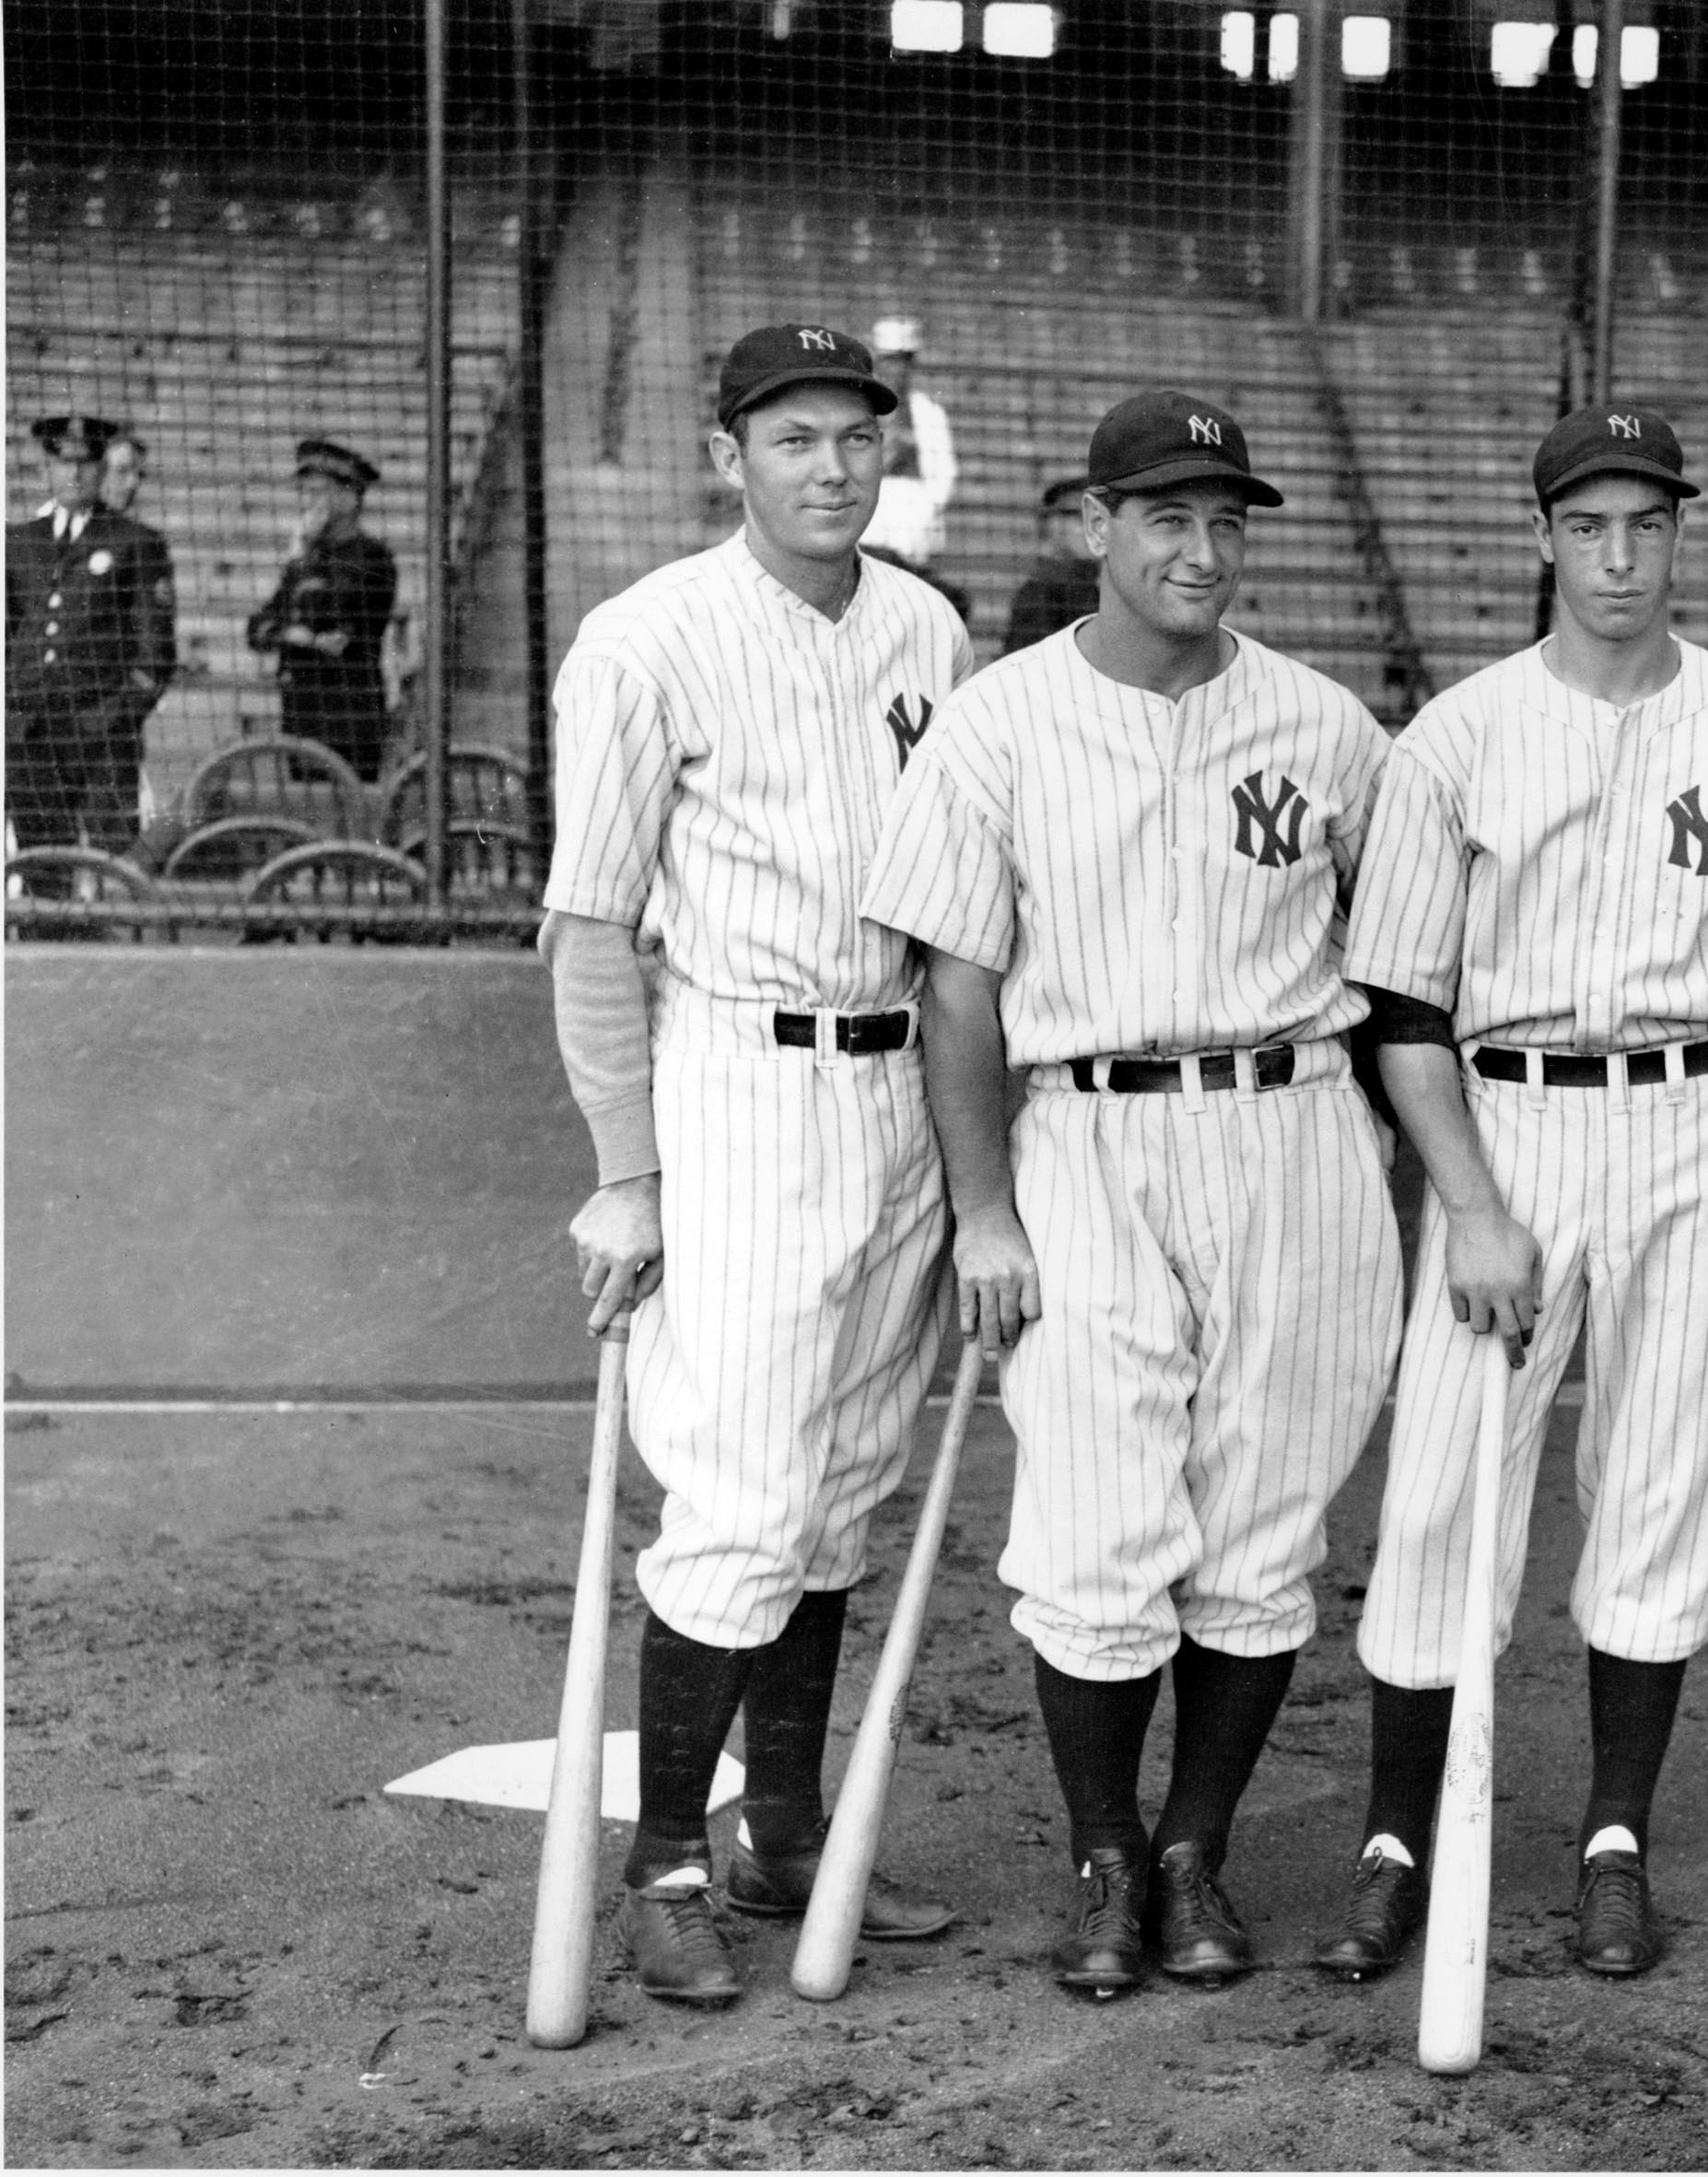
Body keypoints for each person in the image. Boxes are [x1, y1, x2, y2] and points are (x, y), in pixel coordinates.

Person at [1317, 404, 1708, 1984]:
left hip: (1703, 1122)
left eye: (1649, 524)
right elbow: (1403, 1012)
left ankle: (1613, 1838)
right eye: (1591, 525)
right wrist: (1477, 1207)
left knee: (1661, 1484)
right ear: (1544, 538)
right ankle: (1394, 1843)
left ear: (1678, 534)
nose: (1621, 555)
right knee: (1441, 1486)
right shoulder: (1461, 735)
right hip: (1509, 1128)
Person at [861, 390, 1402, 1998]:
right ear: (1092, 527)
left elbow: (1410, 971)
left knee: (1258, 1530)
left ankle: (1195, 1850)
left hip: (1297, 1130)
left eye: (1229, 519)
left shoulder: (1325, 728)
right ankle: (1102, 1853)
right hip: (1086, 1136)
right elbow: (956, 991)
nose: (1203, 547)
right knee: (1097, 1526)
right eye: (1167, 515)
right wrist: (982, 1209)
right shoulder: (998, 721)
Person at [540, 322, 975, 2008]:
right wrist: (625, 1171)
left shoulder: (926, 623)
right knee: (736, 1491)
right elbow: (588, 931)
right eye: (794, 437)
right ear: (731, 455)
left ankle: (780, 1832)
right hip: (737, 1076)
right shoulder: (647, 637)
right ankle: (663, 1856)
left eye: (856, 436)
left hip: (899, 1085)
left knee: (844, 1481)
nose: (831, 467)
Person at [6, 415, 177, 853]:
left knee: (111, 860)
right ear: (46, 469)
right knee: (41, 863)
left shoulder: (135, 542)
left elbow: (155, 654)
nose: (75, 473)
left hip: (102, 737)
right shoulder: (18, 543)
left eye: (86, 462)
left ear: (101, 469)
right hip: (31, 737)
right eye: (64, 463)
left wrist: (111, 717)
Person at [243, 438, 399, 780]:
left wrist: (299, 563)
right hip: (302, 715)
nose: (309, 503)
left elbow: (327, 616)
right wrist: (293, 634)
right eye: (307, 493)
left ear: (349, 496)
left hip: (349, 720)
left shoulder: (372, 558)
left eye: (319, 492)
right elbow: (257, 629)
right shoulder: (310, 558)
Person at [862, 315, 964, 609]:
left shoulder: (929, 412)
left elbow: (944, 475)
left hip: (913, 522)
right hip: (869, 521)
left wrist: (921, 514)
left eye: (904, 360)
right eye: (891, 360)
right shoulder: (859, 408)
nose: (897, 368)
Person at [1000, 474, 1096, 655]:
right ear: (1050, 523)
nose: (1087, 526)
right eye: (1075, 516)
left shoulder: (1112, 583)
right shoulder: (1040, 591)